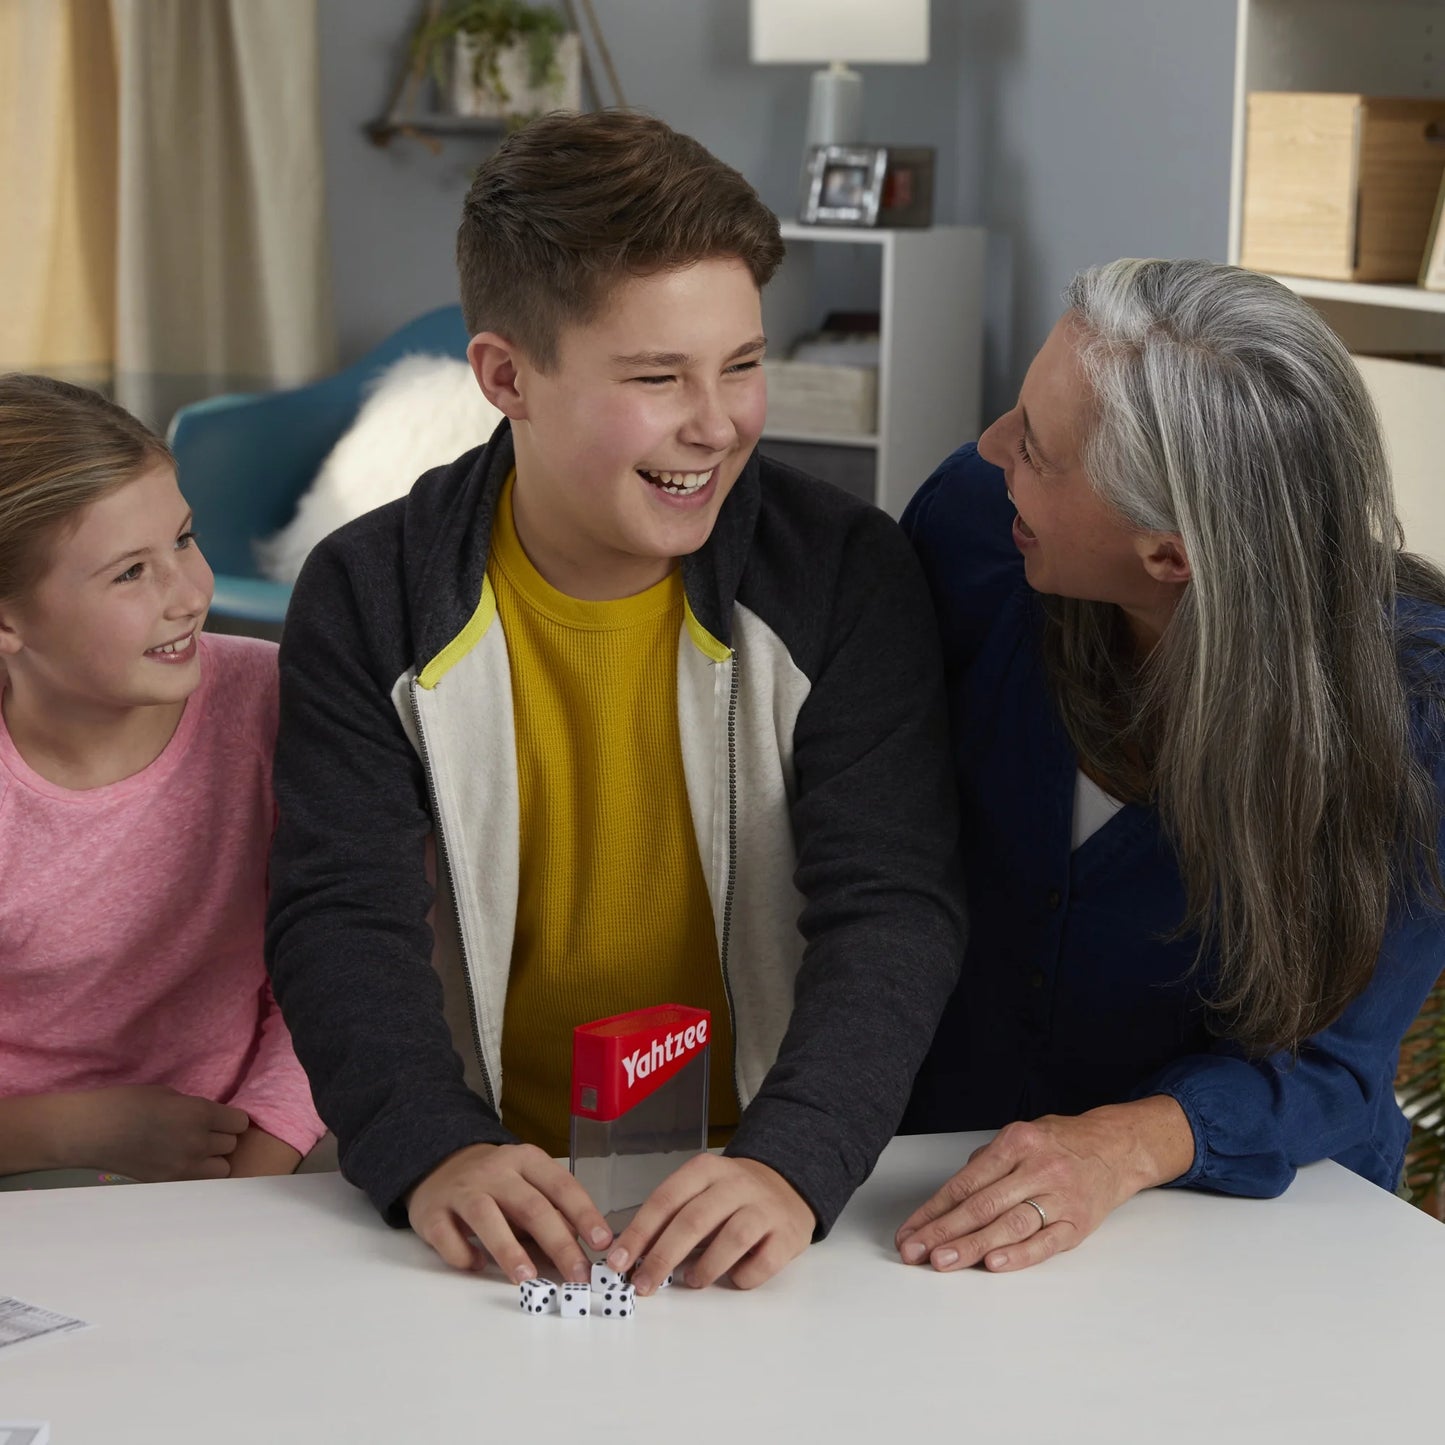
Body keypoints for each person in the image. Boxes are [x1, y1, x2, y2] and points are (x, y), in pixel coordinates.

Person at [266, 110, 964, 1294]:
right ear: (505, 377)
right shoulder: (368, 591)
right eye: (657, 377)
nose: (718, 420)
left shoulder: (844, 571)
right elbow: (340, 913)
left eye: (741, 363)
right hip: (492, 1188)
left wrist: (792, 1161)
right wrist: (436, 1145)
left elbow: (892, 906)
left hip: (768, 1177)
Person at [894, 256, 1445, 1275]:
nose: (987, 448)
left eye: (1038, 452)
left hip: (1264, 1241)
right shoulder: (974, 531)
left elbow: (1333, 1060)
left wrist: (1123, 1143)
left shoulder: (1418, 714)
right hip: (937, 1196)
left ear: (1169, 556)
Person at [0, 375, 325, 1186]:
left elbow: (339, 968)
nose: (189, 594)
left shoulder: (279, 703)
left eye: (183, 539)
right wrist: (72, 1131)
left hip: (249, 1154)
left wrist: (258, 1163)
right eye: (128, 573)